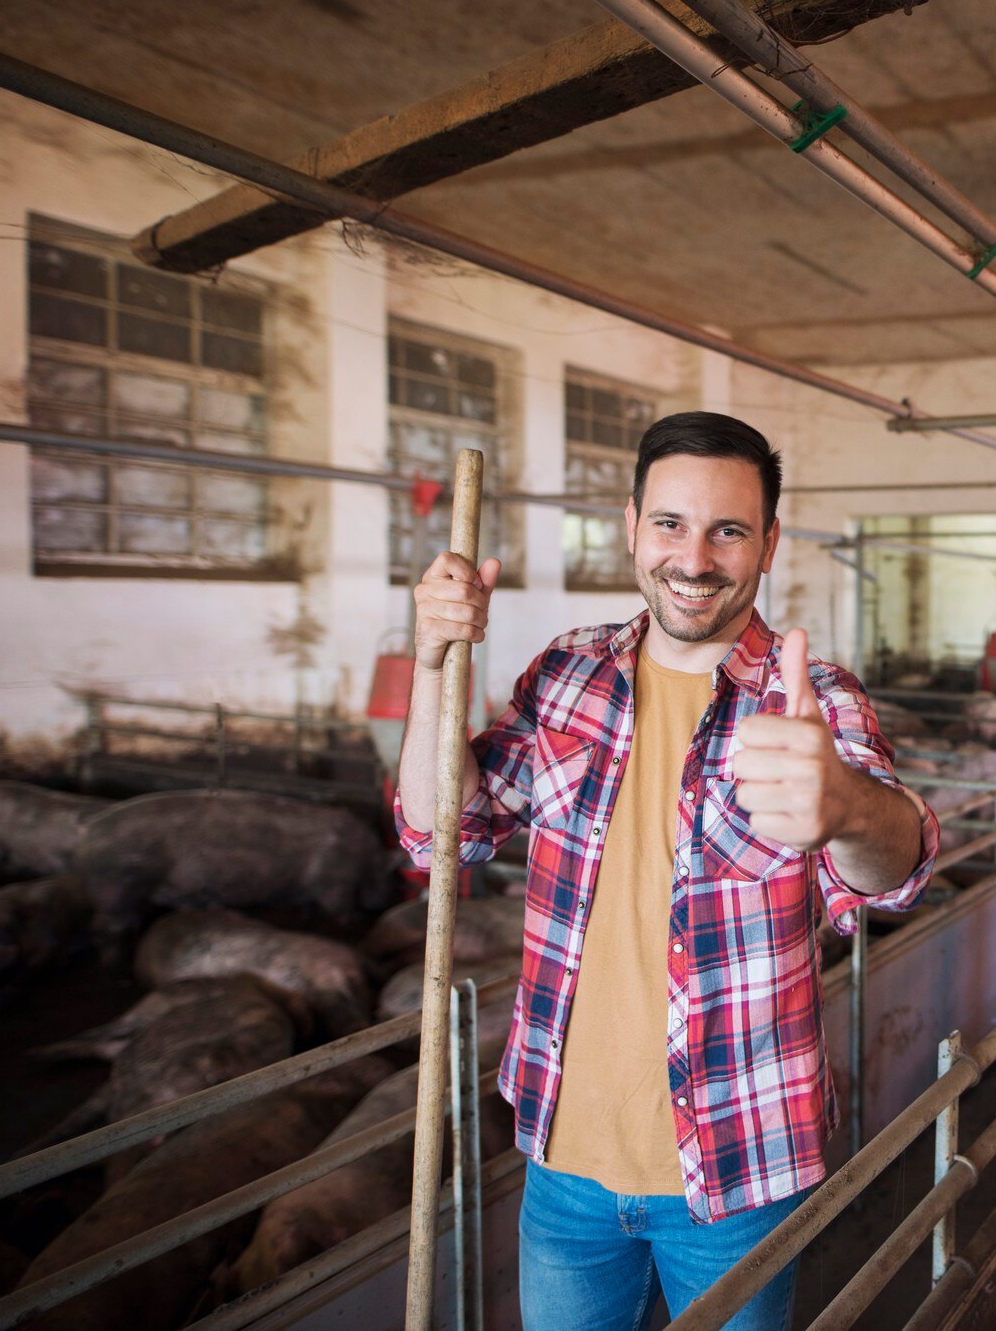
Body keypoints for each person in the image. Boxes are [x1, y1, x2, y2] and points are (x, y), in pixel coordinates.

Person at [396, 412, 937, 1330]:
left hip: (740, 1169)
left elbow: (898, 870)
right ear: (631, 525)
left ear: (769, 542)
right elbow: (442, 829)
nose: (694, 559)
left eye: (729, 530)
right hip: (563, 1162)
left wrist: (846, 806)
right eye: (671, 524)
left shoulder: (815, 701)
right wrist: (431, 663)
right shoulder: (567, 672)